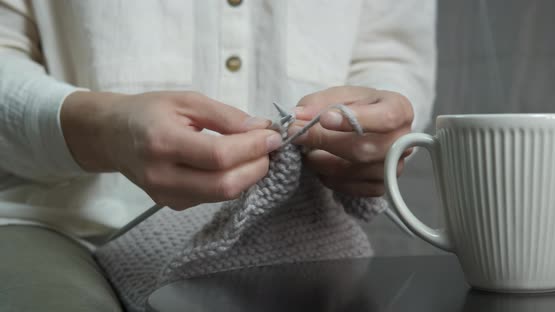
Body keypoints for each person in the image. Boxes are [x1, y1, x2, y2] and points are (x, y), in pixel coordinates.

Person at [0, 0, 436, 310]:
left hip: (302, 233)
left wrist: (373, 127)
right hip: (62, 225)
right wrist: (102, 127)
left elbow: (391, 55)